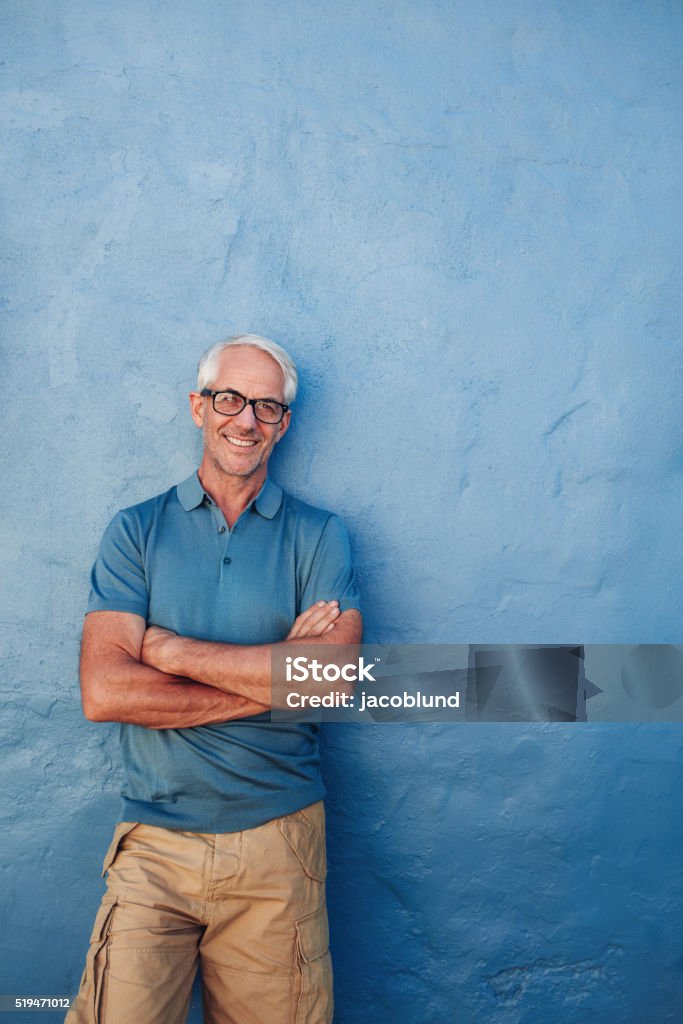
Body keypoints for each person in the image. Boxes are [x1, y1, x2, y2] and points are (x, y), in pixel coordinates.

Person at [66, 334, 363, 1024]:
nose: (246, 419)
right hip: (153, 843)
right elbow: (105, 692)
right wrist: (271, 676)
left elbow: (330, 683)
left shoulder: (319, 535)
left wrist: (168, 651)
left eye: (266, 406)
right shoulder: (135, 531)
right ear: (198, 407)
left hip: (278, 843)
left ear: (283, 423)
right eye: (229, 398)